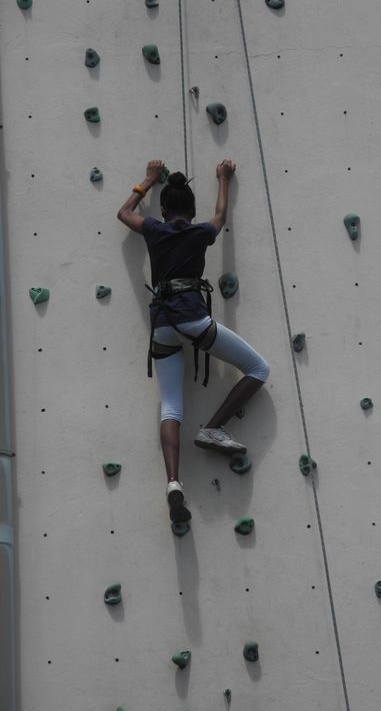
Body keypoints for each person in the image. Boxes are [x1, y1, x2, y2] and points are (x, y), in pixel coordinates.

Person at [117, 159, 270, 527]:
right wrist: (223, 178)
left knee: (171, 405)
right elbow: (220, 215)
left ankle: (173, 481)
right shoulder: (201, 232)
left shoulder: (154, 230)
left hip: (162, 325)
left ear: (164, 209)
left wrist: (147, 180)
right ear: (191, 209)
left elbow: (124, 213)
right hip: (193, 319)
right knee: (258, 368)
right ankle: (214, 428)